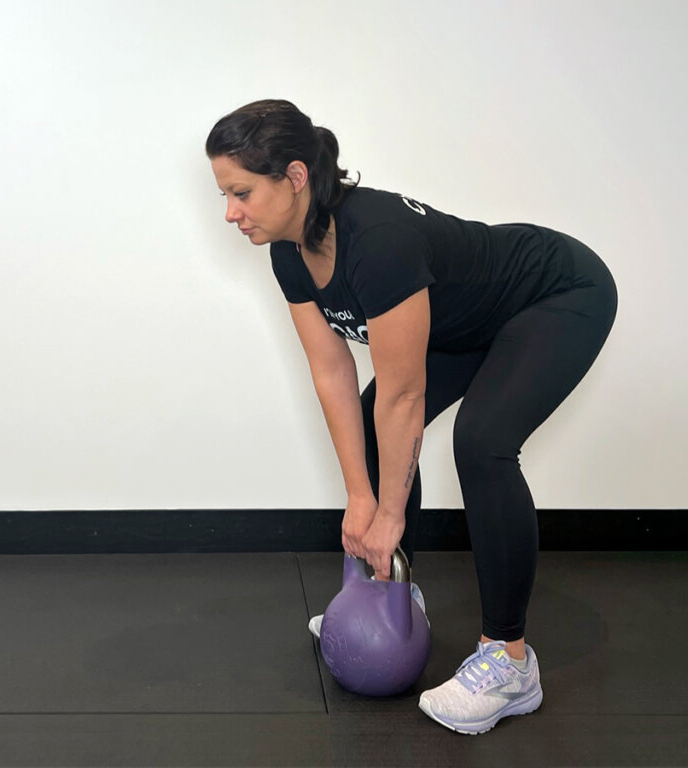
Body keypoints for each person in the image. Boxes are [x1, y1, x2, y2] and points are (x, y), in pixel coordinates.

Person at [205, 99, 617, 734]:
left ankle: (509, 663)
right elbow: (334, 371)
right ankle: (393, 593)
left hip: (557, 292)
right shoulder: (288, 248)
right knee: (374, 419)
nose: (230, 212)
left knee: (482, 442)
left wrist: (388, 514)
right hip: (472, 320)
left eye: (240, 193)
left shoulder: (377, 239)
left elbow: (406, 395)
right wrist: (358, 498)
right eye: (225, 195)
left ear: (294, 177)